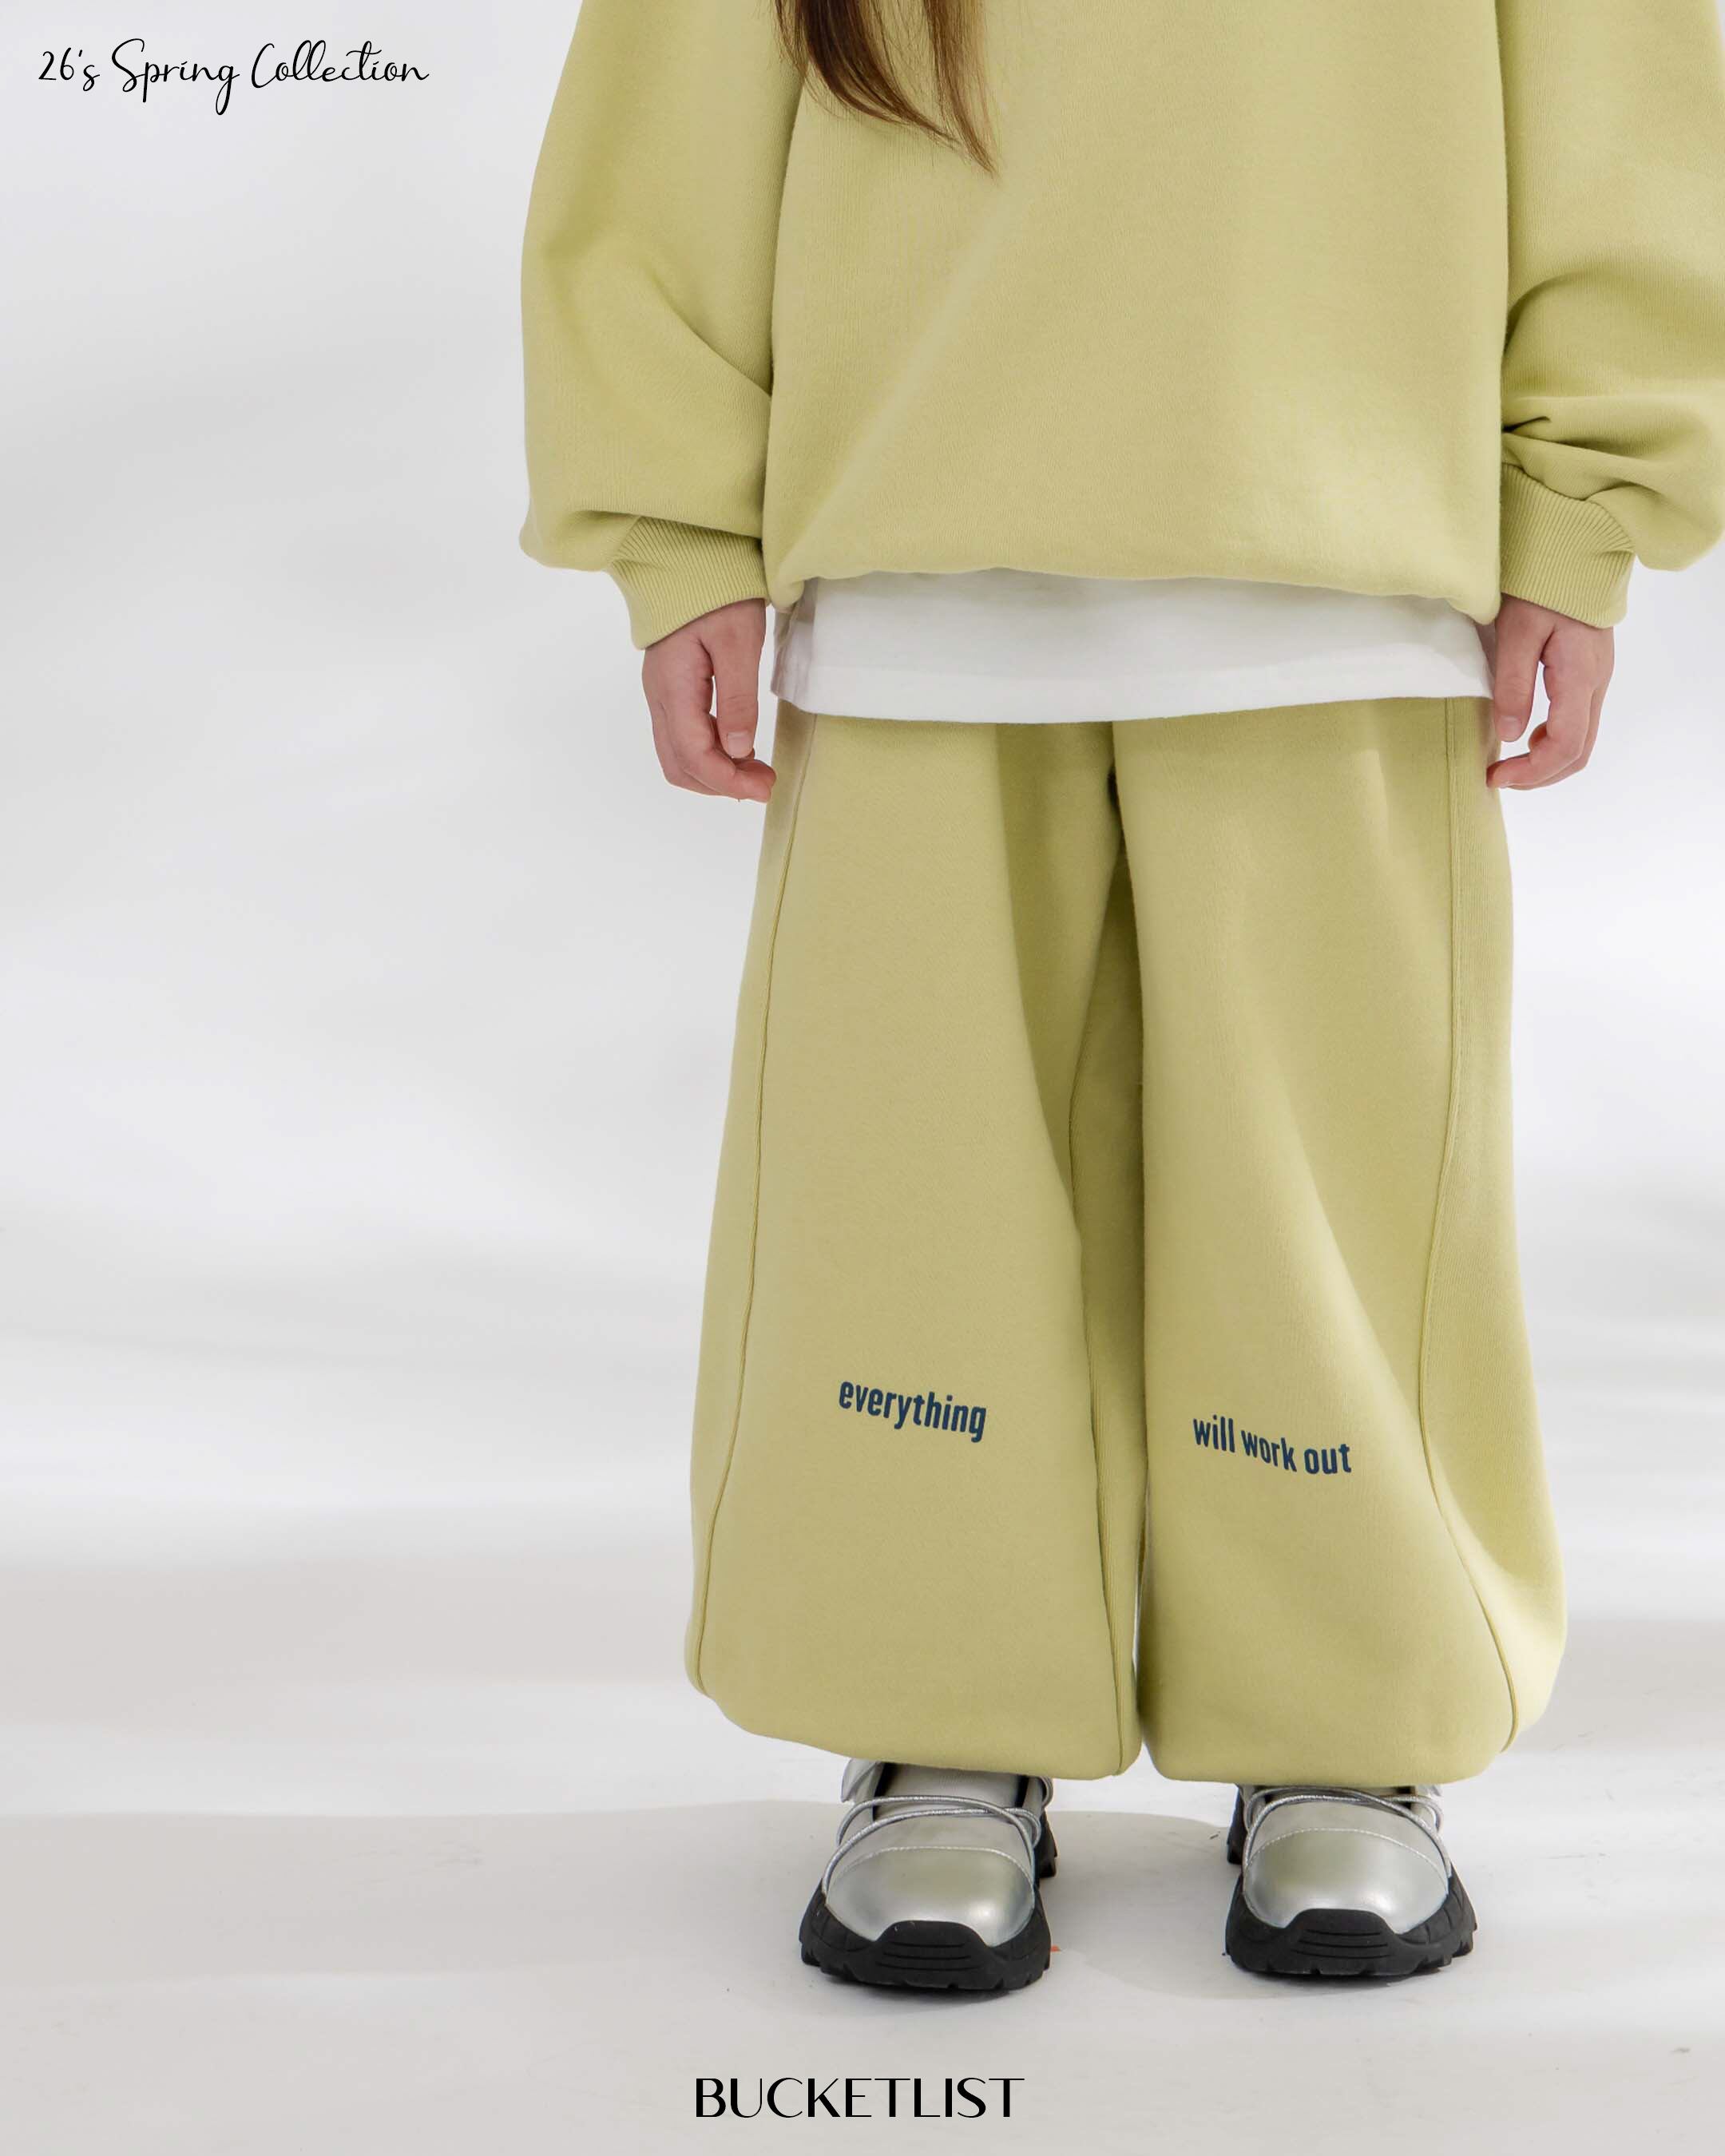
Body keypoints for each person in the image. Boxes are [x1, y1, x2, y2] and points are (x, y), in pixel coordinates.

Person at [519, 0, 1725, 1986]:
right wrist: (677, 531)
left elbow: (1616, 101)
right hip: (909, 558)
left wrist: (1582, 507)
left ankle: (1346, 1725)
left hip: (1348, 557)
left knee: (1330, 1224)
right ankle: (941, 1719)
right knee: (912, 1219)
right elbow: (671, 105)